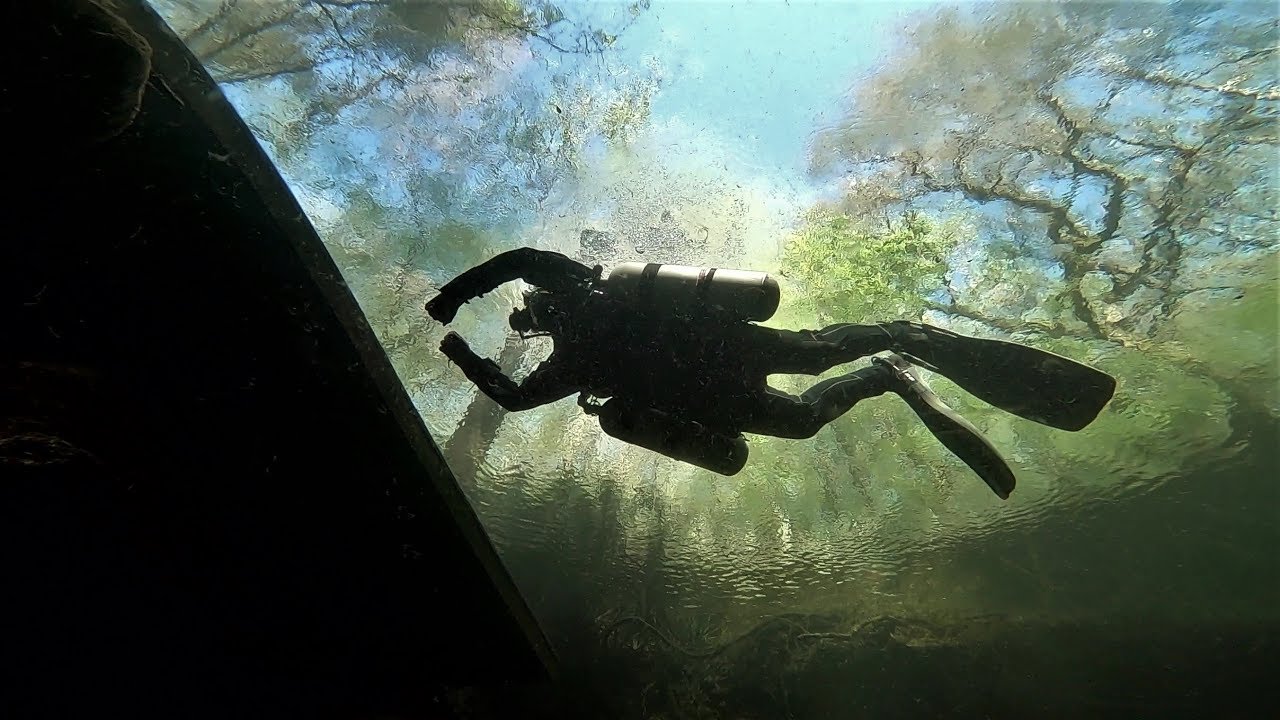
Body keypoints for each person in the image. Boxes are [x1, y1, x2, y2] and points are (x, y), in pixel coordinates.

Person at [425, 247, 1117, 499]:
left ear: (541, 304)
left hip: (724, 353)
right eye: (535, 314)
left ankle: (902, 339)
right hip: (716, 392)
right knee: (807, 418)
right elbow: (514, 397)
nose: (539, 308)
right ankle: (888, 373)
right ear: (541, 325)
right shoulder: (568, 356)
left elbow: (518, 263)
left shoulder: (582, 287)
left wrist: (457, 307)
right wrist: (459, 345)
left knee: (815, 356)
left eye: (532, 306)